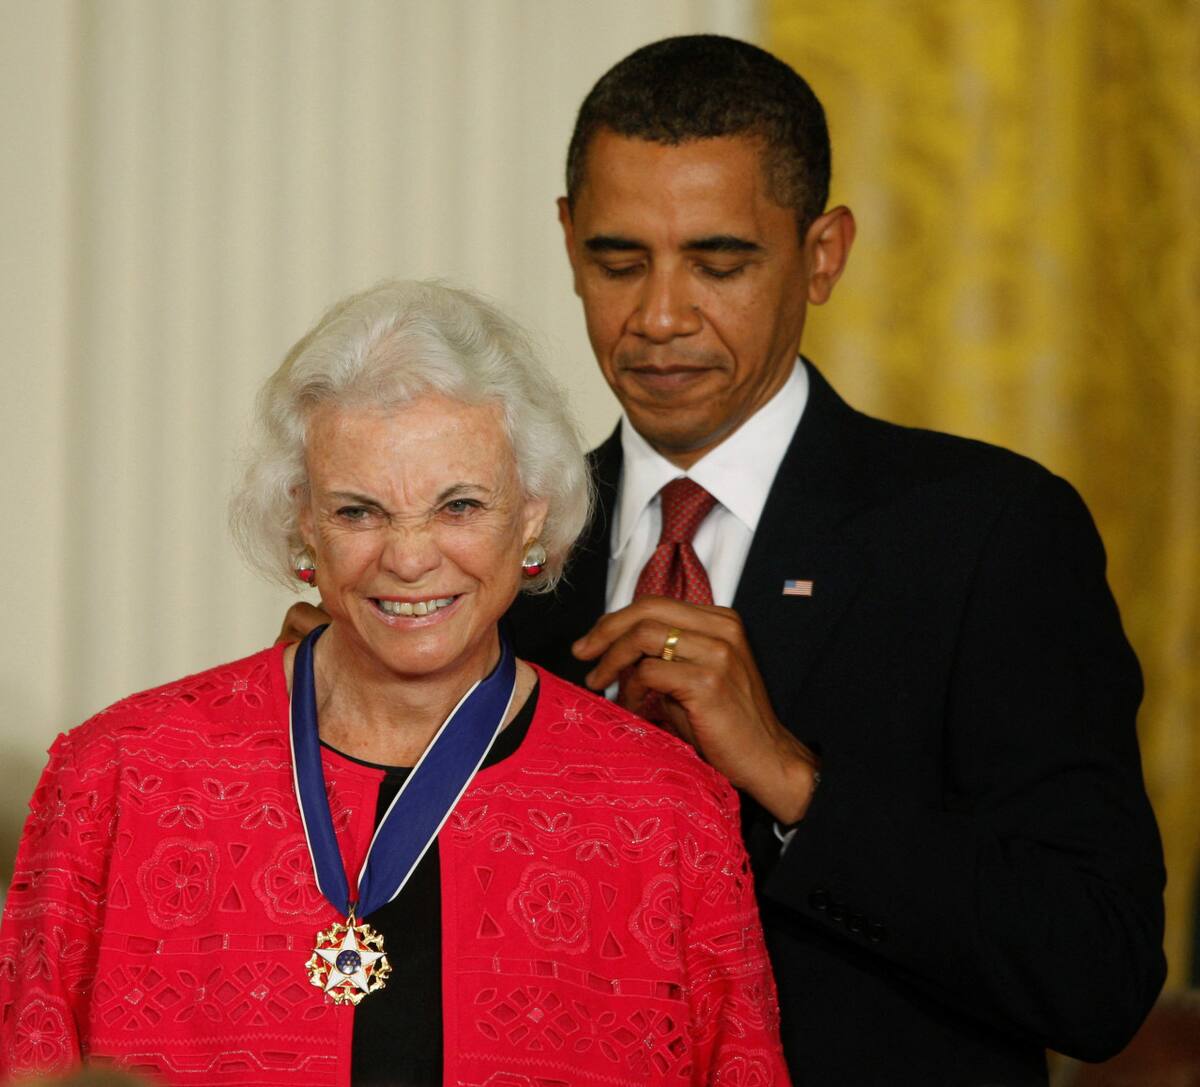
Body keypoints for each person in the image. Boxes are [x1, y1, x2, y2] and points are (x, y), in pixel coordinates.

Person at [282, 35, 1166, 1086]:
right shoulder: (474, 553)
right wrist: (335, 758)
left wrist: (792, 781)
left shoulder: (988, 532)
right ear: (567, 243)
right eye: (619, 261)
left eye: (720, 262)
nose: (659, 317)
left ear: (824, 252)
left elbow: (1098, 974)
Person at [0, 281, 791, 1086]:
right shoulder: (118, 775)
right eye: (359, 512)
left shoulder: (667, 815)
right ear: (302, 519)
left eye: (459, 505)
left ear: (531, 513)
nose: (409, 558)